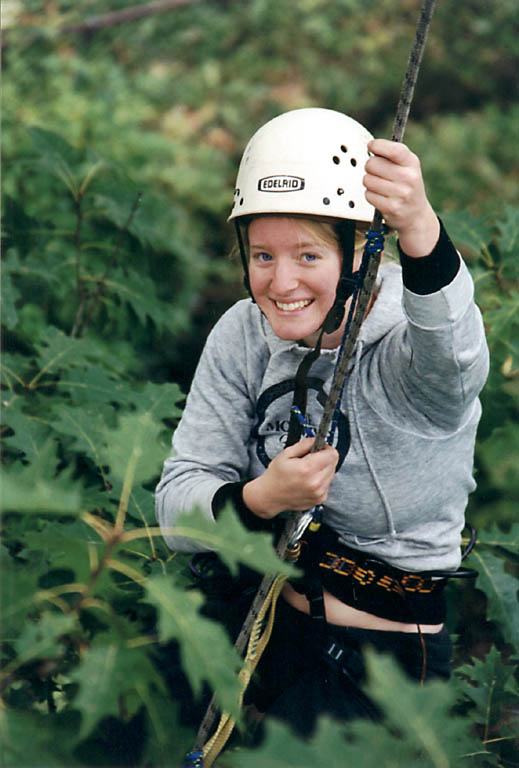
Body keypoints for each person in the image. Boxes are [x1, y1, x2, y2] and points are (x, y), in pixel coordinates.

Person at [155, 108, 489, 736]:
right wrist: (259, 499)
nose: (281, 282)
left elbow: (456, 360)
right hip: (258, 619)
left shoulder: (404, 342)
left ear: (362, 250)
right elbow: (176, 505)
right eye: (261, 255)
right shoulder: (241, 335)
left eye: (309, 254)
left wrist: (418, 226)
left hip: (382, 659)